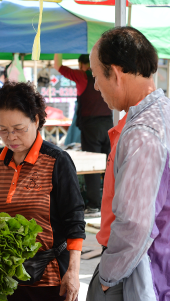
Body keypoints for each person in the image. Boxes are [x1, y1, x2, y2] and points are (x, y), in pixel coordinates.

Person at [86, 27, 170, 301]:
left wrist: (108, 276)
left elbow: (135, 224)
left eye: (96, 76)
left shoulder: (143, 131)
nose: (95, 86)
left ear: (116, 74)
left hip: (145, 276)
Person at [0, 82, 85, 301]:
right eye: (2, 129)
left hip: (51, 280)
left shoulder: (56, 160)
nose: (10, 136)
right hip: (10, 278)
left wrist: (73, 272)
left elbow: (75, 220)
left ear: (37, 120)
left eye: (19, 129)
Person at [54, 53, 112, 217]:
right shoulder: (106, 75)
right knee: (110, 165)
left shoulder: (82, 76)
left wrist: (59, 47)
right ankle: (110, 204)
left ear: (81, 65)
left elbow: (58, 66)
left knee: (93, 166)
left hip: (91, 125)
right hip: (109, 123)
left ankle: (94, 205)